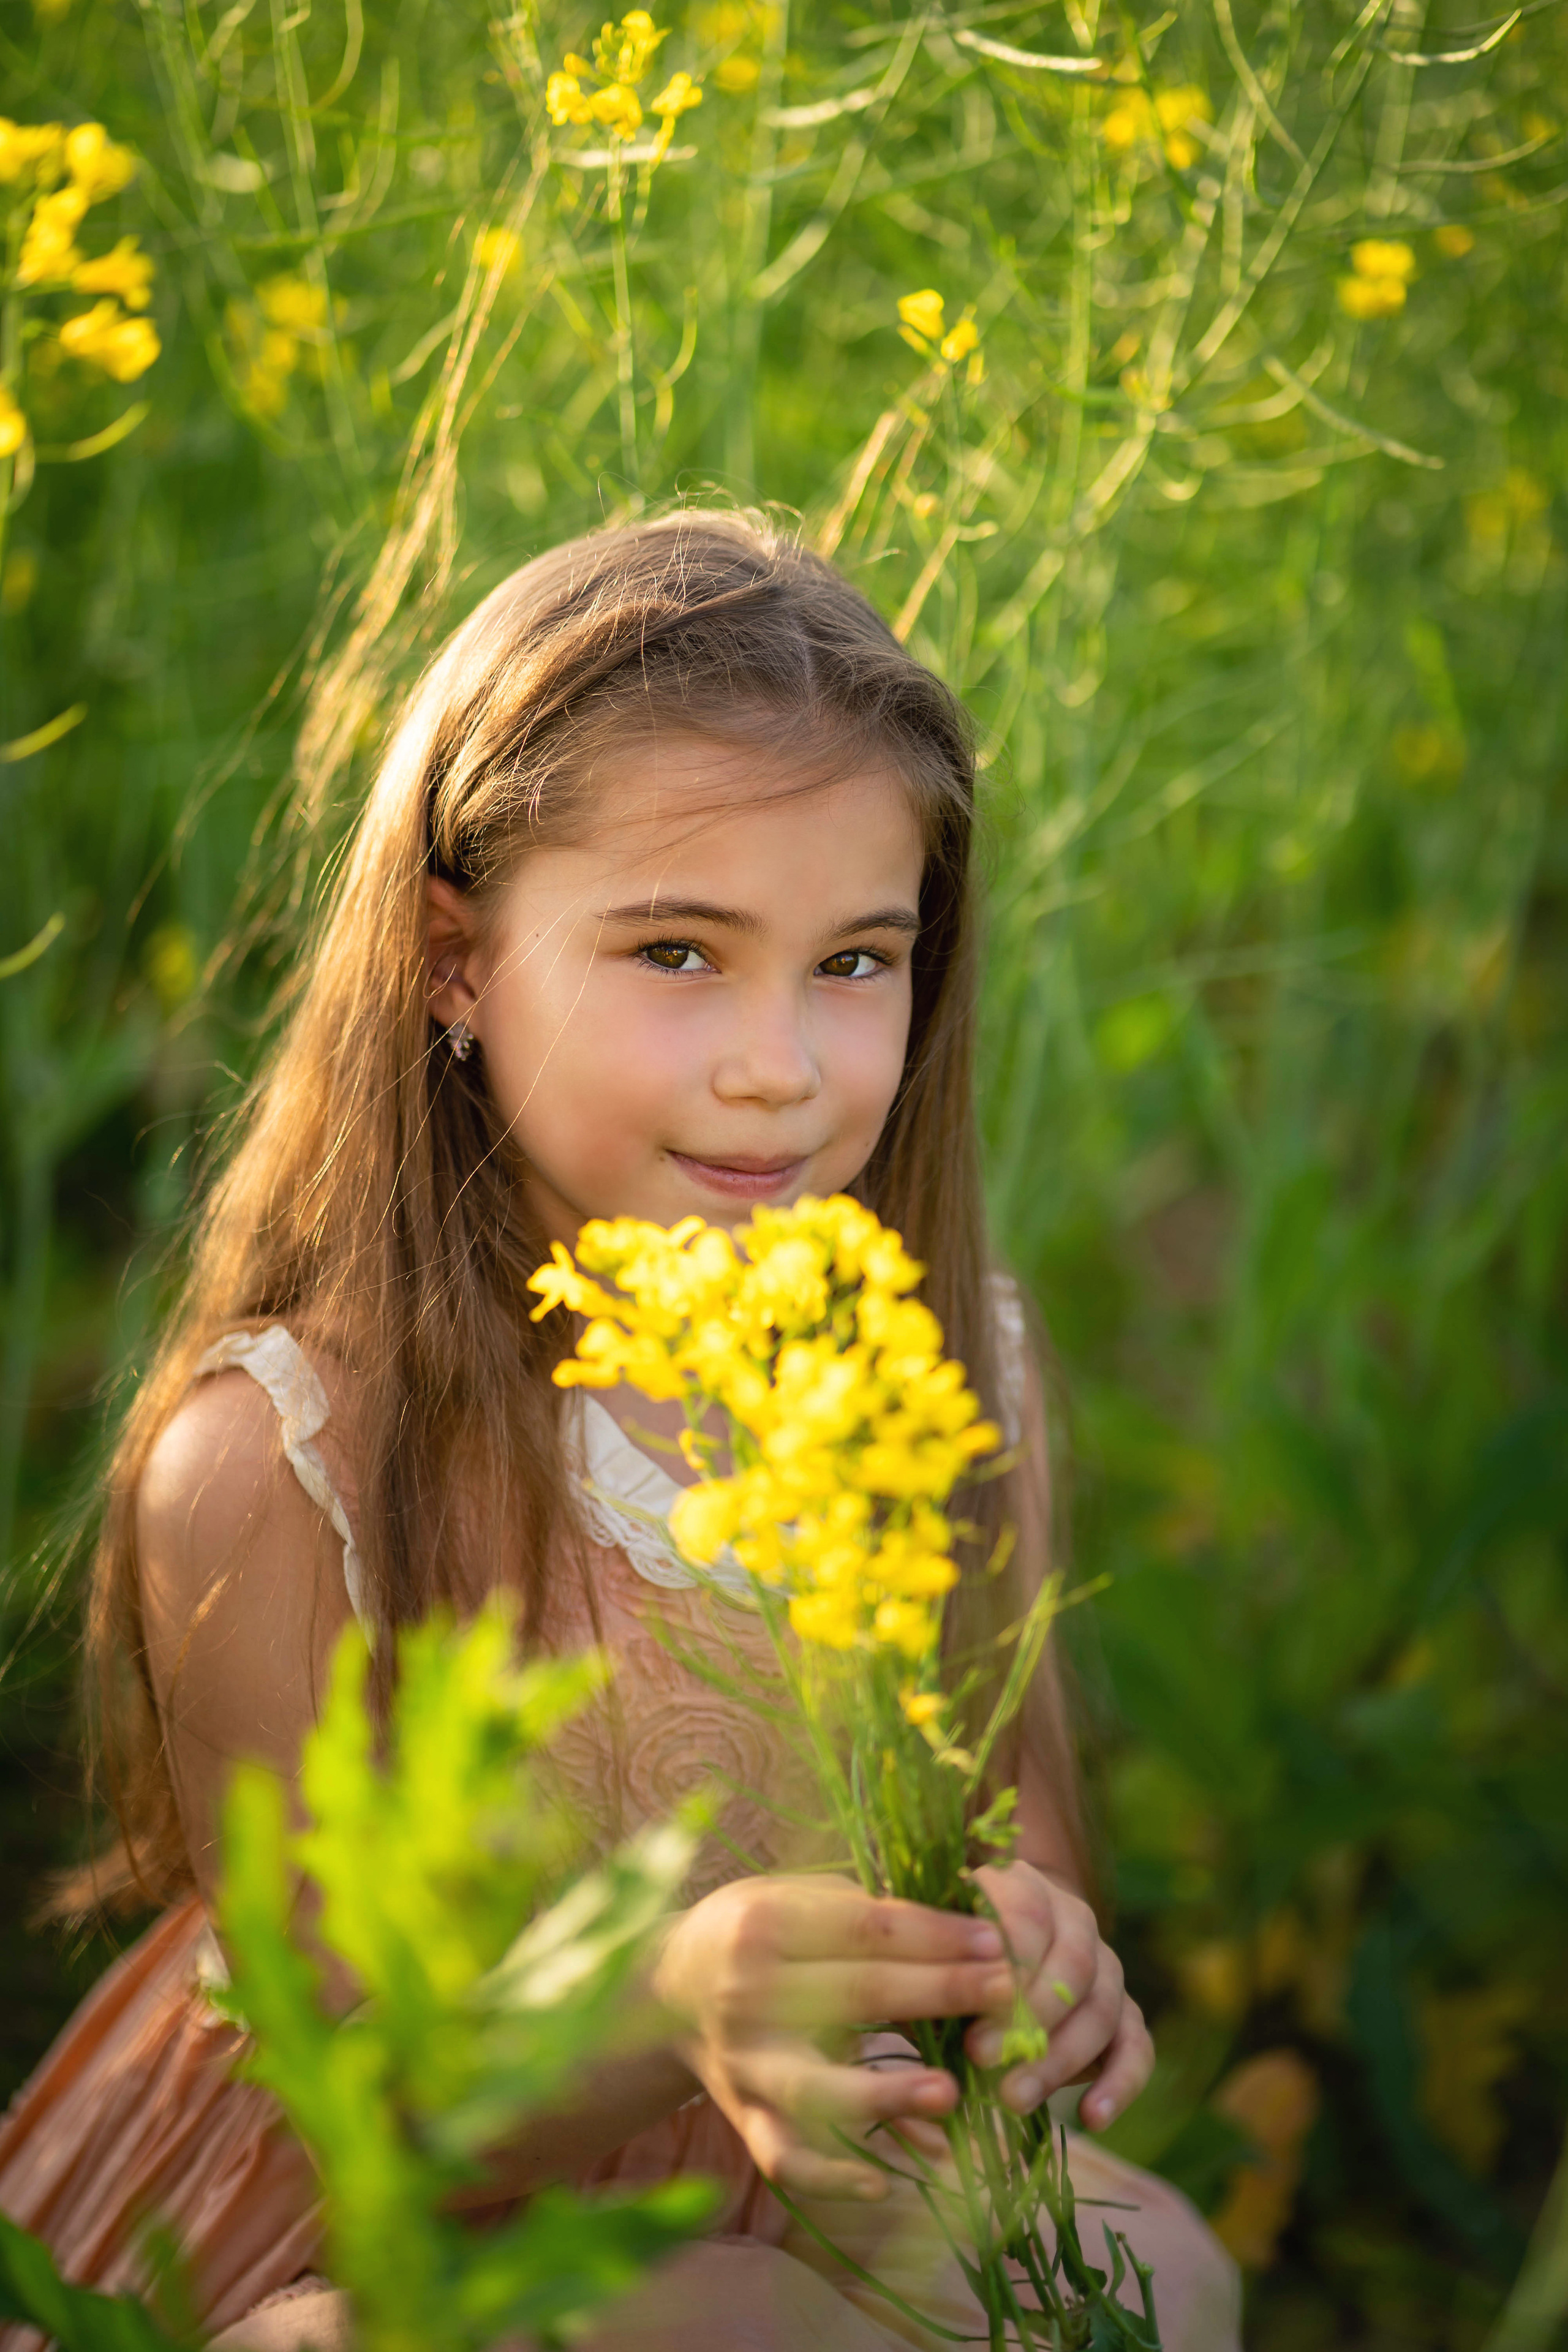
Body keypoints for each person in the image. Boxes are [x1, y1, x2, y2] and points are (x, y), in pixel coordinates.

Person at [0, 512, 1240, 2352]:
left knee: (1174, 2282)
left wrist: (1027, 1960)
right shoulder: (280, 1459)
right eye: (678, 953)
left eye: (856, 962)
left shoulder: (935, 1361)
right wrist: (669, 2004)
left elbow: (1012, 1831)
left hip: (824, 2164)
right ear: (453, 960)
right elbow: (372, 2125)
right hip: (382, 2237)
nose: (781, 1065)